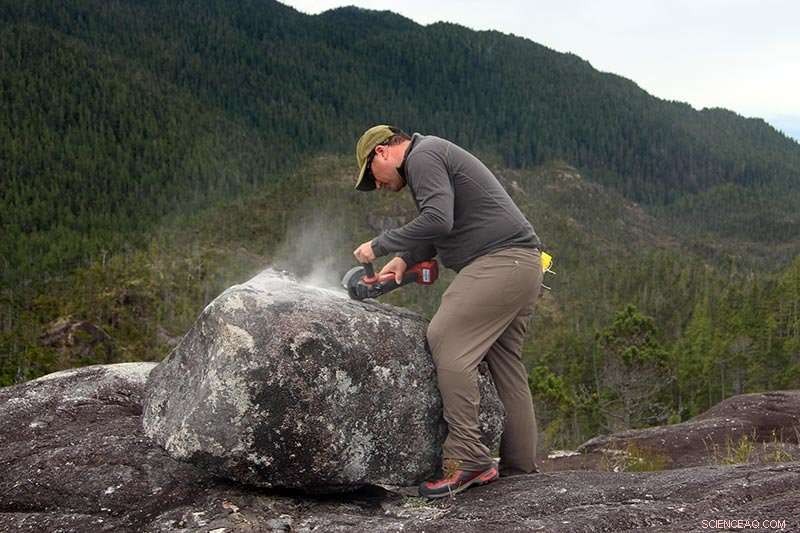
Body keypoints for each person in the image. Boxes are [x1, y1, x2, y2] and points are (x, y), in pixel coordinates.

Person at [352, 124, 544, 498]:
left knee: (445, 337)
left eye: (370, 177)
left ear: (381, 153)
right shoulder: (432, 155)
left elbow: (439, 218)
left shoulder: (422, 156)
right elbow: (444, 226)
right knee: (505, 363)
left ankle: (469, 459)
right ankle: (521, 469)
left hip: (500, 263)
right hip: (523, 266)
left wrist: (380, 244)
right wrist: (405, 259)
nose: (375, 186)